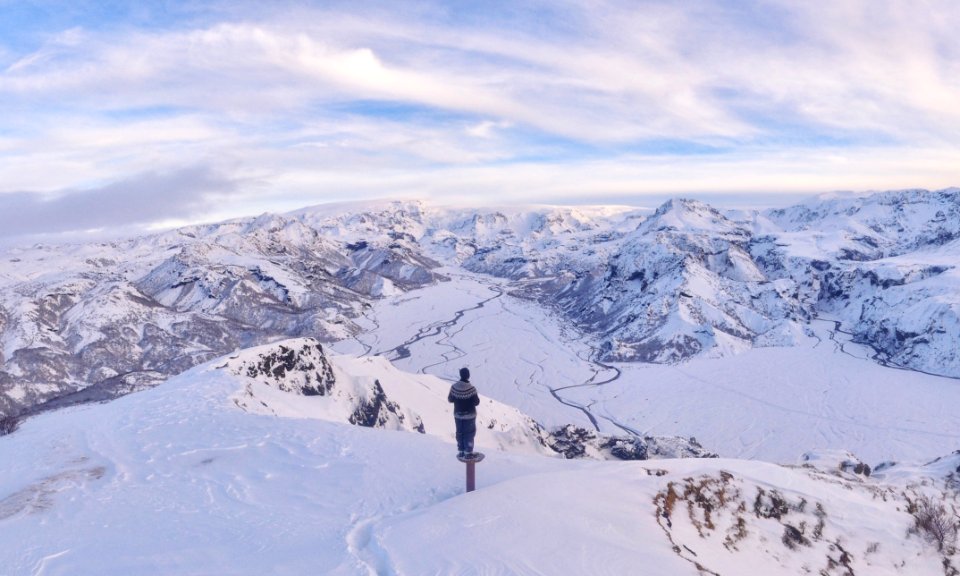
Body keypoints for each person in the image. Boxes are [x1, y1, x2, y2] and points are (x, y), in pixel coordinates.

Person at [448, 367, 480, 458]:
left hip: (458, 415)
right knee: (469, 433)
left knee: (460, 432)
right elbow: (477, 402)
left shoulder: (454, 387)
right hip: (470, 415)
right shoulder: (471, 389)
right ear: (468, 376)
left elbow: (450, 399)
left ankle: (461, 451)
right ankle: (468, 453)